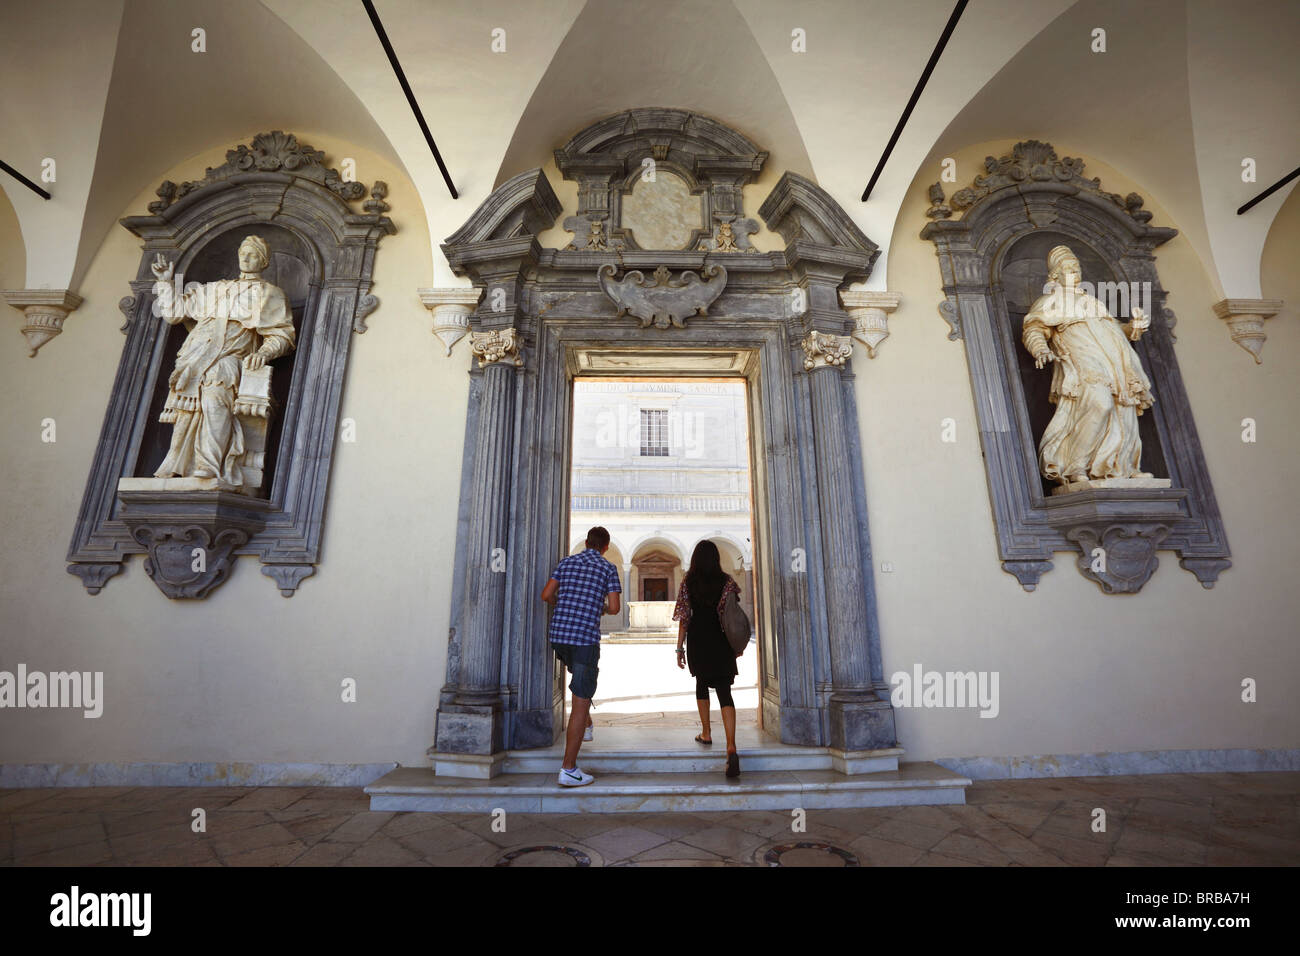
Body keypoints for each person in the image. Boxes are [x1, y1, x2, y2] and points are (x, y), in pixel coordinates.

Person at [150, 236, 296, 493]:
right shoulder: (213, 289)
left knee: (215, 401)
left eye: (253, 254)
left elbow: (282, 334)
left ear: (263, 261)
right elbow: (173, 314)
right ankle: (178, 466)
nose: (246, 257)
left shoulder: (269, 294)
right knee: (187, 413)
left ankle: (210, 465)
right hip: (195, 358)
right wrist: (164, 282)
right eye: (243, 252)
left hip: (230, 357)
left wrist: (263, 353)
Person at [1021, 244, 1155, 489]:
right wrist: (1040, 349)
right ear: (1054, 276)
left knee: (1121, 411)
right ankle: (1075, 467)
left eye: (1077, 267)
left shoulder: (1092, 301)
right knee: (1099, 403)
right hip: (1083, 363)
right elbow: (1034, 328)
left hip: (1115, 364)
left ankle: (1121, 467)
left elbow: (1115, 329)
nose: (1076, 272)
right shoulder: (1050, 301)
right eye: (1069, 268)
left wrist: (1134, 326)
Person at [540, 526, 621, 787]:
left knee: (578, 680)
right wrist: (601, 608)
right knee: (581, 699)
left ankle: (586, 726)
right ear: (606, 547)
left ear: (586, 542)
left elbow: (546, 595)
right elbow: (615, 607)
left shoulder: (566, 562)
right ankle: (569, 768)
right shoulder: (608, 568)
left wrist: (563, 605)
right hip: (585, 639)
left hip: (560, 636)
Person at [673, 540, 743, 778]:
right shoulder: (727, 582)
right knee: (725, 691)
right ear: (715, 558)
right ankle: (731, 745)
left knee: (701, 684)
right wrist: (737, 643)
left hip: (698, 639)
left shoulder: (688, 582)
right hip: (721, 639)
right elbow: (733, 615)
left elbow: (684, 617)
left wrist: (679, 648)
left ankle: (706, 733)